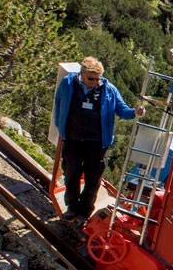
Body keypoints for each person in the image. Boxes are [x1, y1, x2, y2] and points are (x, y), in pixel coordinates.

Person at [53, 57, 136, 223]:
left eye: (98, 78)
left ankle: (84, 212)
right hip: (73, 139)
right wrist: (59, 124)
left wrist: (135, 112)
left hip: (97, 143)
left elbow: (123, 110)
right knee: (71, 175)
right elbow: (58, 102)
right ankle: (72, 208)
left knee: (93, 179)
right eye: (91, 78)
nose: (95, 82)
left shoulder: (109, 89)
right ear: (82, 74)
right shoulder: (68, 84)